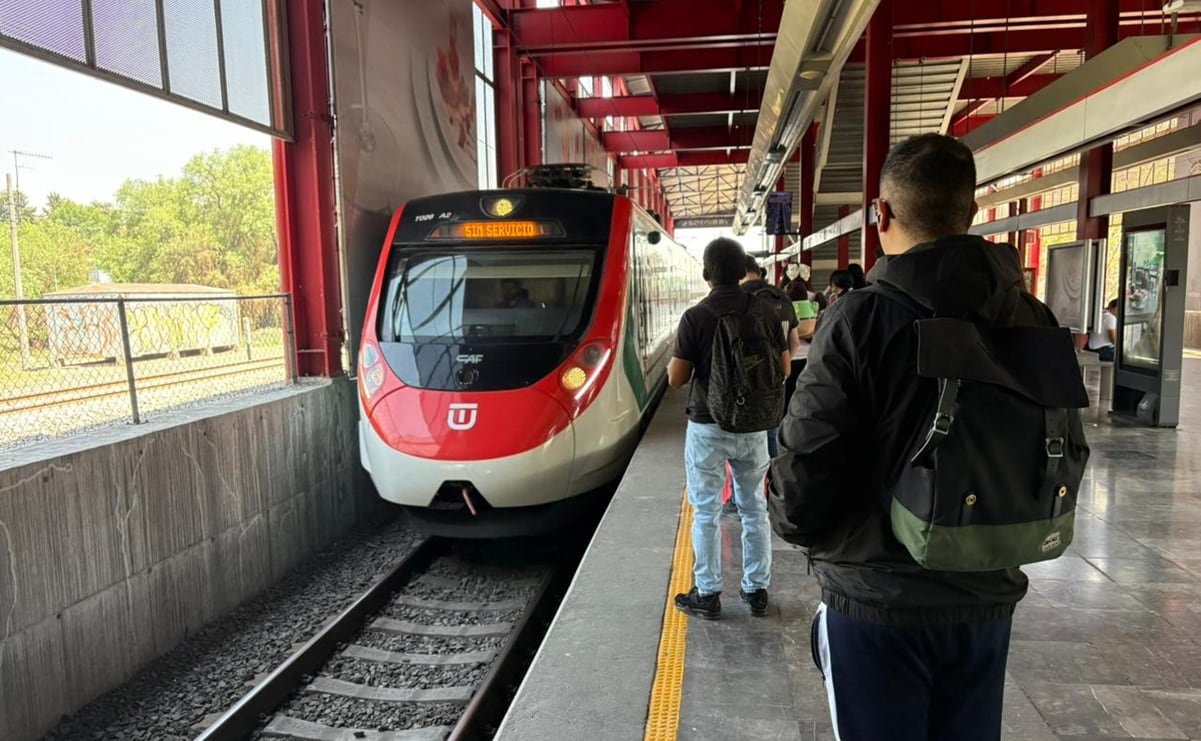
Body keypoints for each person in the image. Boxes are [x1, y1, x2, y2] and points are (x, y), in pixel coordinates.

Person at [770, 133, 1063, 740]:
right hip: (986, 589)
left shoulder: (859, 318)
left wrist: (792, 523)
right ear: (971, 212)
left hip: (876, 598)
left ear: (881, 214)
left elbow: (805, 465)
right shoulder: (1031, 315)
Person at [668, 237, 790, 620]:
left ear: (707, 274)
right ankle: (756, 590)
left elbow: (676, 378)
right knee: (754, 509)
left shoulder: (696, 316)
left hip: (708, 426)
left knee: (706, 512)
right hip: (753, 426)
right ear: (742, 272)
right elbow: (785, 369)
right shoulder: (766, 311)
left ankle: (707, 593)